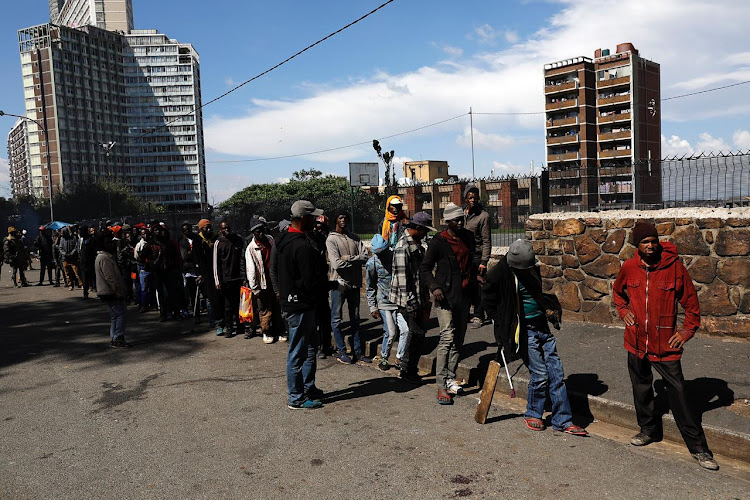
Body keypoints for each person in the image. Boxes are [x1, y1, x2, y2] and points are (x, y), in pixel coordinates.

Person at [612, 222, 717, 470]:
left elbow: (692, 306)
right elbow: (618, 293)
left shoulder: (674, 268)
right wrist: (624, 310)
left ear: (658, 241)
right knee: (641, 389)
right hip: (636, 341)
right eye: (644, 242)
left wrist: (685, 332)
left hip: (665, 344)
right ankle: (648, 430)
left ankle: (699, 449)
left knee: (679, 395)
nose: (650, 246)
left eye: (653, 240)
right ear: (636, 245)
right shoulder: (629, 267)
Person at [483, 238, 588, 436]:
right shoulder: (499, 274)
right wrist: (502, 324)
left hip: (541, 327)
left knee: (557, 375)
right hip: (523, 330)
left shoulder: (531, 268)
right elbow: (488, 301)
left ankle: (563, 421)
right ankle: (533, 413)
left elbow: (536, 294)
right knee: (540, 375)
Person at [420, 203, 476, 405]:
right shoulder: (439, 241)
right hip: (445, 295)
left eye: (462, 219)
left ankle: (451, 376)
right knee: (447, 337)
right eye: (456, 220)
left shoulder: (468, 237)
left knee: (459, 338)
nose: (460, 223)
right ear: (447, 222)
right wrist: (434, 287)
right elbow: (425, 268)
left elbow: (472, 260)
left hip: (464, 294)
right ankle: (441, 385)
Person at [276, 200, 328, 410]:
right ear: (303, 218)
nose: (316, 220)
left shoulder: (285, 240)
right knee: (298, 351)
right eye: (312, 216)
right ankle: (296, 397)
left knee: (307, 349)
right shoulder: (300, 245)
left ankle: (307, 387)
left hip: (294, 303)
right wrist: (325, 285)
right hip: (301, 305)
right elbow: (309, 280)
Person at [390, 212, 435, 383]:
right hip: (409, 300)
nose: (426, 234)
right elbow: (403, 282)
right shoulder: (403, 248)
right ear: (416, 228)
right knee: (416, 334)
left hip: (419, 298)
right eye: (424, 230)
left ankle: (409, 368)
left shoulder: (417, 246)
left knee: (418, 335)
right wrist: (413, 305)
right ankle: (408, 370)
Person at [326, 211, 371, 365]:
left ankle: (358, 352)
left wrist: (348, 258)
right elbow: (336, 264)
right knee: (337, 319)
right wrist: (355, 260)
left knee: (355, 318)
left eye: (345, 218)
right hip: (339, 284)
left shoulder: (355, 237)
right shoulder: (331, 239)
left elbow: (366, 256)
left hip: (354, 284)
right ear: (336, 220)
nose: (343, 220)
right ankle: (342, 350)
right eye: (340, 218)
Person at [366, 234, 409, 371]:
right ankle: (384, 356)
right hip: (384, 303)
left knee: (406, 330)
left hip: (398, 301)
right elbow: (370, 286)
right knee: (391, 332)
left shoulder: (395, 257)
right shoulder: (372, 264)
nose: (382, 255)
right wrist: (373, 306)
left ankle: (399, 357)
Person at [245, 216, 282, 344]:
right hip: (262, 283)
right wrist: (255, 288)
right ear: (253, 233)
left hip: (273, 280)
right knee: (264, 308)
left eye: (261, 229)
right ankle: (266, 331)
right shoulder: (251, 248)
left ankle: (278, 330)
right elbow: (250, 270)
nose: (260, 233)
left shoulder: (270, 240)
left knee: (276, 306)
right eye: (257, 231)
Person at [95, 229, 129, 348]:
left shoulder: (103, 257)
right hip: (110, 291)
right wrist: (118, 291)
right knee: (120, 314)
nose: (111, 243)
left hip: (107, 291)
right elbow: (110, 277)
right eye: (108, 241)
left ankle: (114, 336)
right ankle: (118, 337)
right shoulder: (104, 258)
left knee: (115, 315)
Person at [463, 184, 491, 328]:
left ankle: (479, 315)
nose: (473, 200)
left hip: (477, 255)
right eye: (470, 197)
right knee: (465, 286)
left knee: (478, 287)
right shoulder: (462, 214)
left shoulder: (483, 216)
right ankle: (465, 313)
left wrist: (484, 261)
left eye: (475, 197)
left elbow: (486, 241)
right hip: (464, 256)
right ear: (466, 199)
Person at [213, 220, 246, 338]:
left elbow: (243, 258)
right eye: (223, 228)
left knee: (239, 303)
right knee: (228, 306)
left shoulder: (238, 240)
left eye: (227, 228)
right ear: (220, 230)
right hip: (226, 279)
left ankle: (240, 326)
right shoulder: (218, 243)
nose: (226, 230)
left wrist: (244, 277)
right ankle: (229, 327)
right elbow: (215, 263)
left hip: (238, 277)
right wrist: (217, 281)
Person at [309, 215, 333, 357]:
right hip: (314, 282)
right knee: (316, 317)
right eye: (317, 226)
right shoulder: (310, 240)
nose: (319, 229)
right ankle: (318, 346)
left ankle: (325, 345)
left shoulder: (325, 239)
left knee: (325, 315)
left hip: (323, 281)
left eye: (321, 226)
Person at [196, 219, 219, 328]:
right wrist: (199, 273)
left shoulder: (216, 238)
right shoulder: (198, 240)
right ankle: (212, 320)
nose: (209, 229)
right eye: (206, 227)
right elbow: (196, 258)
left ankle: (220, 319)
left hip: (217, 272)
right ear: (201, 229)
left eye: (210, 226)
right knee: (209, 298)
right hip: (205, 274)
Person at [179, 222, 201, 317]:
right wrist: (192, 252)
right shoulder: (182, 242)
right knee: (192, 294)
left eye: (188, 229)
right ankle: (196, 313)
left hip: (199, 269)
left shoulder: (197, 239)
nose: (187, 231)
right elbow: (185, 256)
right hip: (189, 271)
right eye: (185, 230)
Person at [78, 225, 97, 298]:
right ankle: (85, 293)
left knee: (93, 276)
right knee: (84, 278)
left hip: (91, 261)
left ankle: (97, 289)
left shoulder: (91, 240)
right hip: (83, 262)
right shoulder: (81, 240)